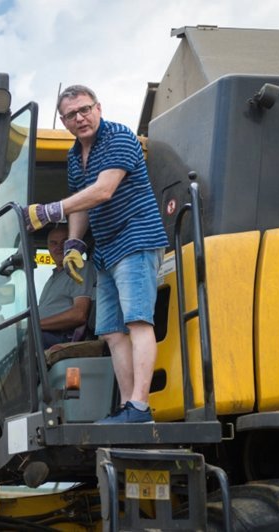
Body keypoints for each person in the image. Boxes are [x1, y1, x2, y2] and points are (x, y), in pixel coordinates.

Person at [25, 85, 168, 423]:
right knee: (110, 331)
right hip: (105, 250)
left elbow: (103, 191)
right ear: (64, 122)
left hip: (135, 239)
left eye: (85, 109)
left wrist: (49, 211)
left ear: (98, 108)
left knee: (137, 321)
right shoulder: (75, 156)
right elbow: (82, 201)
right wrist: (74, 242)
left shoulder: (118, 137)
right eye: (72, 115)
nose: (80, 117)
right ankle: (128, 408)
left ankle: (140, 406)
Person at [38, 224, 96, 349]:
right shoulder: (52, 278)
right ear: (48, 248)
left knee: (18, 338)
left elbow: (79, 314)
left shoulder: (80, 269)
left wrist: (35, 325)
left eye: (64, 242)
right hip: (42, 332)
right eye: (53, 243)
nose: (58, 247)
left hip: (61, 336)